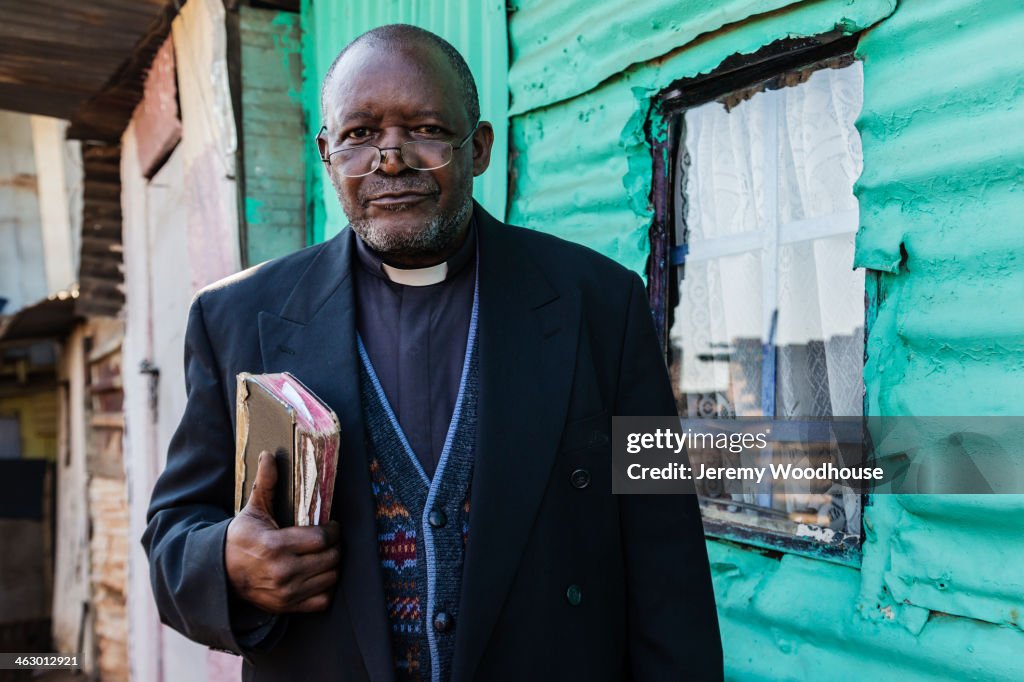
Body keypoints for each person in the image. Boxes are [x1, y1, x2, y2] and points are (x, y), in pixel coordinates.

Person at [143, 24, 722, 682]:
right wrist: (226, 561)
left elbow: (666, 550)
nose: (391, 160)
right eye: (360, 134)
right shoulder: (236, 318)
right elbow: (172, 535)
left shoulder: (600, 305)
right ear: (327, 152)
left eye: (424, 129)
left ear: (477, 149)